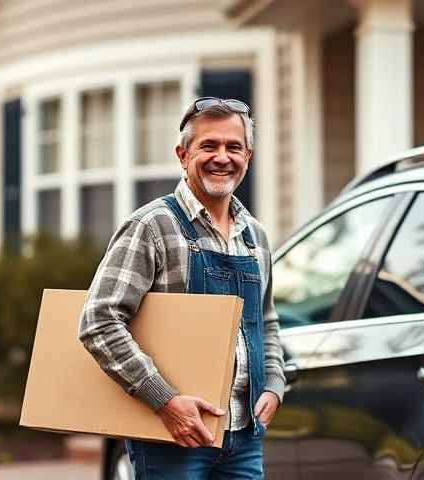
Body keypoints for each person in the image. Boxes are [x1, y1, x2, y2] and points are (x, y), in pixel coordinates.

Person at [78, 97, 285, 479]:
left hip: (243, 436)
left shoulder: (255, 236)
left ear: (248, 156)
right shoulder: (152, 227)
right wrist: (165, 401)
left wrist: (273, 383)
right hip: (169, 438)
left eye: (233, 147)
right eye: (209, 145)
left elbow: (267, 322)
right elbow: (98, 321)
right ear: (182, 153)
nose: (222, 157)